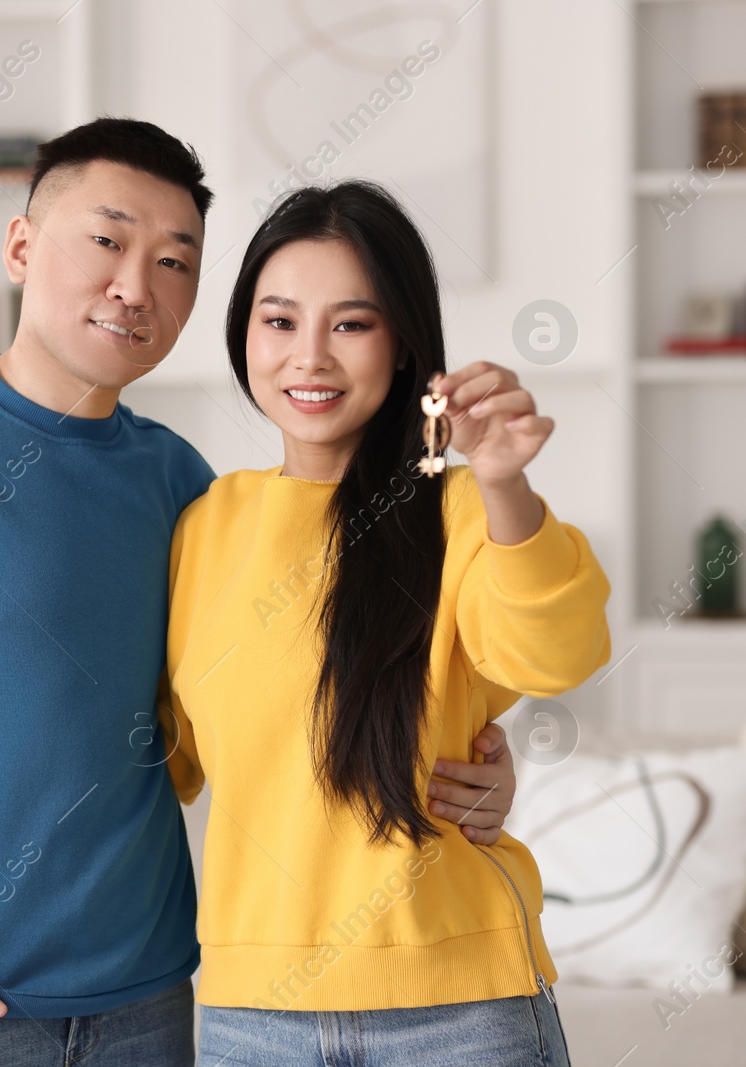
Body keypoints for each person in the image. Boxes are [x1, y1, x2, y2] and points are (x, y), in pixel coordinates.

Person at [0, 121, 519, 1067]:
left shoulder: (185, 490)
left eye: (176, 261)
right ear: (21, 247)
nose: (138, 286)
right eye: (107, 241)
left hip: (154, 1008)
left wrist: (479, 761)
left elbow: (275, 698)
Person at [160, 180, 609, 1066]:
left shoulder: (462, 509)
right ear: (244, 331)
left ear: (403, 344)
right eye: (280, 321)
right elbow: (165, 757)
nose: (310, 358)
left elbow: (557, 652)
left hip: (462, 1007)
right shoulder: (204, 525)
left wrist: (506, 483)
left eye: (352, 324)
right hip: (254, 1014)